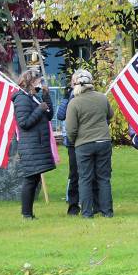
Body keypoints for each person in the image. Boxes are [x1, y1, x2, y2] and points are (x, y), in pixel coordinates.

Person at [65, 69, 114, 218]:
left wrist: (75, 141)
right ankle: (107, 212)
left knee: (85, 179)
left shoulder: (74, 102)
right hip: (103, 141)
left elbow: (71, 129)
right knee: (104, 178)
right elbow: (110, 115)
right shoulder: (102, 98)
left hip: (83, 144)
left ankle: (87, 213)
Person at [10, 69, 56, 220]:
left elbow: (49, 115)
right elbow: (24, 123)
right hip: (30, 146)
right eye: (38, 81)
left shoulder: (33, 97)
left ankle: (28, 213)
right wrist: (39, 109)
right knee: (30, 179)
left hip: (38, 145)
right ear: (30, 82)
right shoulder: (21, 98)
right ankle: (26, 214)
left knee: (34, 179)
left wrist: (46, 96)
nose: (39, 83)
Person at [55, 78, 81, 216]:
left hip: (84, 139)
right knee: (74, 172)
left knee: (87, 171)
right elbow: (60, 115)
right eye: (74, 82)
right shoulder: (70, 96)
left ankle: (87, 199)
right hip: (72, 141)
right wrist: (66, 98)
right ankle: (72, 201)